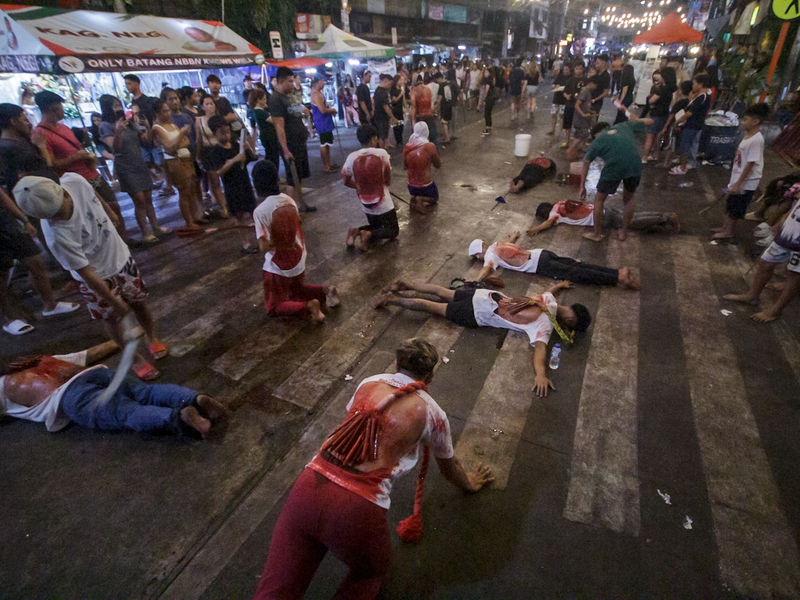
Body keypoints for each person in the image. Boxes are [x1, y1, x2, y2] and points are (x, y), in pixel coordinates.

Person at [253, 338, 493, 599]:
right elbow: (449, 467)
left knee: (275, 590)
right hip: (357, 509)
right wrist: (469, 483)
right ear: (431, 375)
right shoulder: (432, 412)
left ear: (396, 363)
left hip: (308, 485)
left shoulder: (369, 382)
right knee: (370, 572)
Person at [13, 173, 168, 380]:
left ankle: (151, 337)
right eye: (51, 218)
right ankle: (135, 359)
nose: (58, 219)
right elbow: (84, 272)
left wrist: (108, 209)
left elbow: (91, 190)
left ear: (65, 194)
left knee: (139, 302)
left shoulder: (74, 181)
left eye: (59, 213)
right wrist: (113, 300)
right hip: (95, 277)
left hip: (120, 258)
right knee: (111, 317)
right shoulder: (56, 236)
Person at [373, 281, 591, 397]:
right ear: (571, 320)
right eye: (570, 325)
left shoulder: (549, 299)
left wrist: (559, 286)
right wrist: (541, 375)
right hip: (477, 314)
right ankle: (392, 300)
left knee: (441, 291)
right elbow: (540, 351)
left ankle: (405, 284)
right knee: (432, 307)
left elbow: (550, 291)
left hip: (483, 295)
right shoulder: (544, 325)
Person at [1, 341, 228, 437]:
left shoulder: (4, 385)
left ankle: (178, 417)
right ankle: (195, 398)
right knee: (146, 392)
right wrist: (119, 340)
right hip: (94, 373)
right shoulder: (39, 360)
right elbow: (87, 355)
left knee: (126, 412)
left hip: (71, 396)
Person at [252, 160, 339, 322]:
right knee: (296, 291)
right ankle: (326, 290)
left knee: (272, 307)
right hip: (299, 259)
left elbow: (264, 247)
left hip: (279, 267)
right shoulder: (289, 200)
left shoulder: (259, 211)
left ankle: (308, 306)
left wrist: (267, 235)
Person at [34, 91, 127, 242]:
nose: (63, 110)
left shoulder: (63, 127)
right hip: (74, 181)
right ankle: (107, 245)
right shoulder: (41, 133)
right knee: (95, 215)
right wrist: (74, 158)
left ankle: (124, 241)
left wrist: (85, 157)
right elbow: (50, 164)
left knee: (114, 207)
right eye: (61, 106)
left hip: (91, 174)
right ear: (54, 108)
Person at [0, 168, 79, 334]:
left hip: (6, 221)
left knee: (35, 261)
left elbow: (2, 195)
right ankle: (9, 319)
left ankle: (50, 305)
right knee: (2, 274)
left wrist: (24, 219)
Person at [98, 95, 166, 244]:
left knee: (148, 198)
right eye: (115, 105)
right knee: (139, 200)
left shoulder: (128, 123)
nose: (118, 108)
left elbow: (146, 140)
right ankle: (145, 232)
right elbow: (115, 149)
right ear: (107, 108)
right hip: (126, 167)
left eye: (119, 104)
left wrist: (147, 126)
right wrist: (117, 131)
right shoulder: (105, 126)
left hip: (139, 163)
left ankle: (155, 227)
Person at [469, 231, 640, 289]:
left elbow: (486, 269)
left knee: (577, 273)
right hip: (542, 253)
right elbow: (511, 244)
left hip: (539, 264)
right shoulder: (497, 244)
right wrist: (514, 235)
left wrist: (476, 280)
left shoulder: (490, 256)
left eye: (477, 257)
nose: (479, 259)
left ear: (479, 253)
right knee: (578, 265)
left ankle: (617, 278)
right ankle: (617, 272)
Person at [578, 117, 656, 242]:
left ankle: (597, 234)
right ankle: (623, 233)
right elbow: (650, 121)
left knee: (599, 200)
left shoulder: (597, 140)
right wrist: (635, 118)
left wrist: (582, 186)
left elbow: (586, 163)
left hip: (614, 166)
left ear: (596, 134)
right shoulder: (624, 125)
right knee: (629, 198)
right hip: (635, 163)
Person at [723, 197, 800, 322]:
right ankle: (752, 295)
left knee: (795, 275)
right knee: (765, 263)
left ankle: (776, 310)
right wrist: (784, 219)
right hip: (790, 231)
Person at [711, 104, 768, 241]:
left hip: (746, 182)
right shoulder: (748, 136)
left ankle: (728, 232)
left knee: (736, 208)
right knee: (730, 204)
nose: (743, 122)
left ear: (755, 121)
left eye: (745, 120)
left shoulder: (756, 140)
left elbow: (751, 164)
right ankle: (724, 227)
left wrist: (739, 183)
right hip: (738, 178)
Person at [341, 124, 399, 251]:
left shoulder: (351, 157)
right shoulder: (382, 153)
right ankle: (367, 233)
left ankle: (356, 231)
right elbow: (387, 179)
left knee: (376, 226)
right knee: (393, 230)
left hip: (365, 202)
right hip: (382, 201)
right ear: (373, 139)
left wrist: (359, 187)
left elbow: (345, 181)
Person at [207, 116, 257, 254]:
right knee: (239, 216)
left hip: (245, 183)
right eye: (222, 133)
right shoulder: (216, 151)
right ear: (215, 134)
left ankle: (262, 238)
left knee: (254, 212)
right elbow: (219, 171)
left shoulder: (235, 145)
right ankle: (245, 243)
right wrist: (234, 160)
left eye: (228, 131)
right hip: (232, 187)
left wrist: (248, 149)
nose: (227, 135)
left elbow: (250, 159)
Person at [151, 99, 203, 231]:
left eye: (168, 110)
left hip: (185, 159)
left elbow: (186, 142)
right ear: (157, 113)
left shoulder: (172, 124)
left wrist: (179, 139)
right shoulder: (157, 128)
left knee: (191, 189)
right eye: (165, 111)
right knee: (184, 191)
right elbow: (169, 147)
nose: (168, 113)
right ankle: (189, 221)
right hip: (175, 162)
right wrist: (181, 134)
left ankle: (195, 216)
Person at [269, 67, 315, 212]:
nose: (292, 84)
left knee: (299, 176)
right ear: (281, 82)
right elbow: (279, 126)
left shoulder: (289, 96)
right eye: (289, 82)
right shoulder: (276, 99)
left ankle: (300, 204)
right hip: (290, 144)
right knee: (291, 177)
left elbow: (295, 111)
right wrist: (285, 149)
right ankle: (292, 210)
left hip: (299, 142)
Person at [527, 198, 679, 237]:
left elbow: (548, 223)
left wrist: (536, 229)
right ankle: (663, 216)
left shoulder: (555, 213)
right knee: (632, 217)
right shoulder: (560, 202)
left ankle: (666, 218)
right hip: (603, 208)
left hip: (602, 217)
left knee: (632, 222)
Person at [123, 74, 170, 197]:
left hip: (151, 135)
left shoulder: (146, 101)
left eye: (129, 83)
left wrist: (154, 133)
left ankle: (168, 185)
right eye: (126, 84)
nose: (127, 86)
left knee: (160, 162)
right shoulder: (133, 102)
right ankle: (161, 181)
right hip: (141, 136)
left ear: (136, 84)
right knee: (148, 162)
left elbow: (153, 118)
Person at [195, 94, 230, 218]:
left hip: (222, 149)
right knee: (214, 181)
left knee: (228, 179)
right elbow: (198, 139)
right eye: (207, 104)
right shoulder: (199, 120)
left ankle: (229, 203)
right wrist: (198, 156)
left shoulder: (219, 119)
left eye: (212, 103)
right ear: (202, 106)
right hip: (208, 152)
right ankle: (223, 207)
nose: (210, 106)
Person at [670, 74, 710, 176]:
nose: (692, 85)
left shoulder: (702, 97)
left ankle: (683, 168)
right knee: (691, 145)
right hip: (696, 125)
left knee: (685, 145)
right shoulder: (703, 96)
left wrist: (677, 121)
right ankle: (686, 164)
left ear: (700, 84)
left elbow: (689, 113)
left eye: (694, 83)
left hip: (692, 126)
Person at [641, 67, 676, 163]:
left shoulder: (662, 89)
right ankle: (655, 155)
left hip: (656, 115)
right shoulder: (670, 89)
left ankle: (644, 157)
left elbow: (651, 100)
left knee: (649, 137)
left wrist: (650, 99)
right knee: (657, 136)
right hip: (664, 115)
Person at [659, 80, 692, 168]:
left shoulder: (680, 103)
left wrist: (665, 126)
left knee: (672, 143)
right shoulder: (690, 102)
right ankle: (671, 160)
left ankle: (666, 162)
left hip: (675, 125)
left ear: (681, 90)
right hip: (684, 126)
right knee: (676, 144)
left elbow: (671, 115)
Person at [310, 77, 339, 171]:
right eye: (322, 81)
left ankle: (329, 163)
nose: (323, 83)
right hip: (322, 122)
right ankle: (326, 166)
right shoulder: (316, 94)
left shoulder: (319, 93)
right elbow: (322, 110)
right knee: (324, 144)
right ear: (318, 82)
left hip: (325, 121)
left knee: (327, 144)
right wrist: (332, 110)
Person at [249, 88, 280, 171]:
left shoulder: (255, 111)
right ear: (258, 100)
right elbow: (273, 120)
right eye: (264, 99)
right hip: (269, 136)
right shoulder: (259, 112)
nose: (266, 100)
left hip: (266, 136)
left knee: (271, 155)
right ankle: (274, 175)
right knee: (273, 156)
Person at [566, 79, 597, 160]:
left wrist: (590, 111)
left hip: (581, 119)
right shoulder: (585, 92)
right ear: (591, 83)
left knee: (578, 135)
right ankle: (570, 150)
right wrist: (583, 114)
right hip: (580, 119)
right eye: (595, 85)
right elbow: (577, 105)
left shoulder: (587, 92)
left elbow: (584, 105)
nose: (595, 87)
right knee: (581, 136)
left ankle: (574, 153)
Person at [206, 74, 242, 140]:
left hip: (229, 134)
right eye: (212, 82)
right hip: (213, 137)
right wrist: (225, 119)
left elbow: (233, 117)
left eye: (217, 83)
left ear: (220, 86)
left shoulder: (224, 100)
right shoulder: (206, 101)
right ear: (208, 85)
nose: (215, 85)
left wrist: (217, 119)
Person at [561, 62, 586, 150]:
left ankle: (581, 143)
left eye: (580, 69)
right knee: (568, 124)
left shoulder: (585, 80)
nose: (578, 71)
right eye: (576, 69)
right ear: (574, 70)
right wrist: (567, 96)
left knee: (580, 125)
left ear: (583, 69)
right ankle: (567, 141)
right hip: (570, 105)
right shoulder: (570, 80)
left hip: (580, 107)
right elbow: (564, 92)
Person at [410, 78, 438, 147]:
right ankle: (434, 152)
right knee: (433, 137)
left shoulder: (414, 92)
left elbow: (414, 109)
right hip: (429, 116)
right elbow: (431, 106)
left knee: (420, 138)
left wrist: (413, 125)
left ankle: (422, 153)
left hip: (420, 118)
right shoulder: (428, 89)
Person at [372, 74, 396, 150]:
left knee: (384, 134)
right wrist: (393, 117)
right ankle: (382, 153)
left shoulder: (379, 90)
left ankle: (384, 149)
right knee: (382, 136)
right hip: (381, 116)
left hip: (380, 116)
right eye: (390, 83)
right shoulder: (381, 92)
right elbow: (386, 107)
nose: (390, 85)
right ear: (386, 81)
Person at [548, 63, 571, 136]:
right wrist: (555, 86)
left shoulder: (571, 77)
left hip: (564, 99)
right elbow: (554, 84)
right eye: (564, 69)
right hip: (557, 97)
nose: (565, 71)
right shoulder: (560, 75)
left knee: (562, 115)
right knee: (553, 114)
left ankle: (560, 131)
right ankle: (553, 129)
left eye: (567, 70)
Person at [390, 74, 406, 148]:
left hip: (400, 109)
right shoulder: (393, 90)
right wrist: (400, 94)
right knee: (396, 126)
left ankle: (400, 140)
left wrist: (403, 94)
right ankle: (398, 141)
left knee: (401, 125)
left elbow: (403, 101)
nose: (402, 81)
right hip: (395, 110)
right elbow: (394, 100)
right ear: (396, 81)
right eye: (400, 80)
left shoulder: (400, 89)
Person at [481, 67, 498, 137]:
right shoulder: (492, 80)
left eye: (486, 72)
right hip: (492, 98)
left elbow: (487, 89)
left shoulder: (488, 81)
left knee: (486, 113)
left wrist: (484, 98)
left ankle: (487, 128)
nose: (485, 73)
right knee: (489, 113)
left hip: (489, 98)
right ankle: (489, 127)